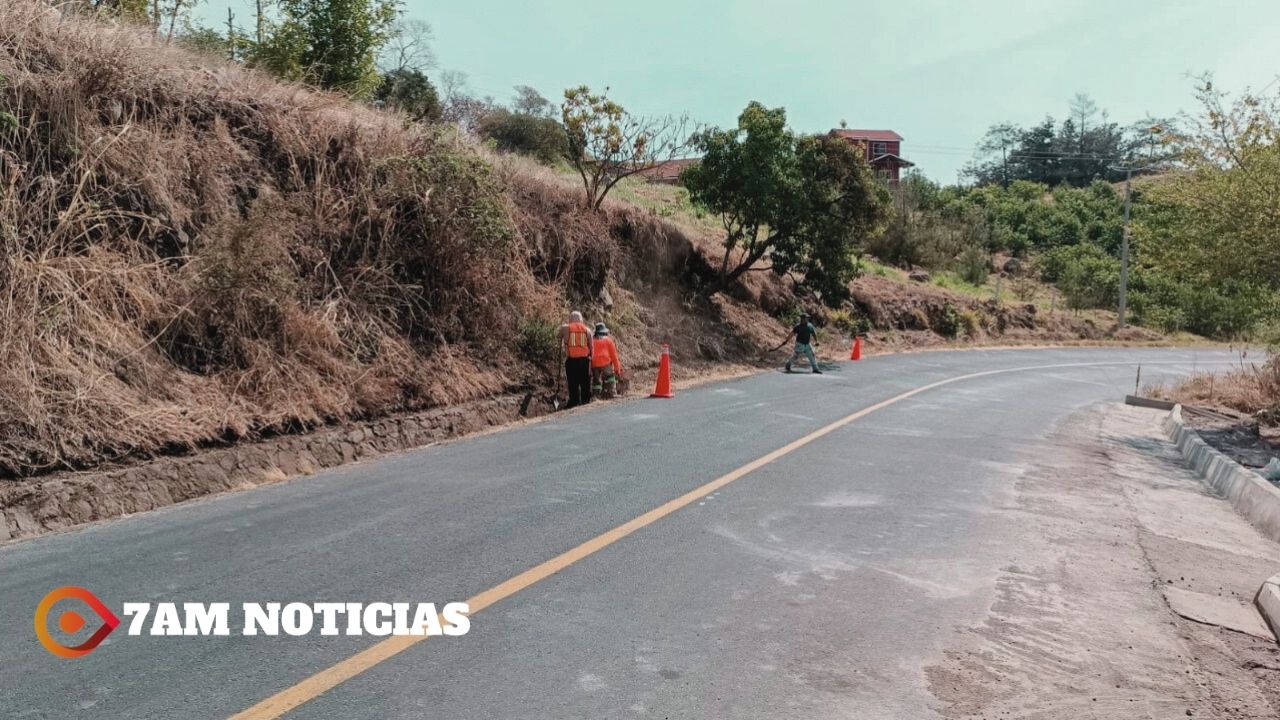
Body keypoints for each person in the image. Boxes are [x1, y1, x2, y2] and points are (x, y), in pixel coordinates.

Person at [559, 311, 593, 407]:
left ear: (570, 319)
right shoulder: (587, 330)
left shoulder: (566, 328)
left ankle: (574, 402)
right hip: (585, 361)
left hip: (572, 360)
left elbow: (558, 335)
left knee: (573, 382)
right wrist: (591, 360)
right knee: (585, 382)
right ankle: (586, 401)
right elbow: (591, 347)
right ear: (581, 320)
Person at [590, 322, 623, 398]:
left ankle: (596, 396)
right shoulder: (608, 340)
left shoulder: (591, 340)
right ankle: (612, 393)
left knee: (596, 380)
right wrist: (617, 369)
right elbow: (614, 356)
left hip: (594, 363)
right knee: (610, 376)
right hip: (604, 362)